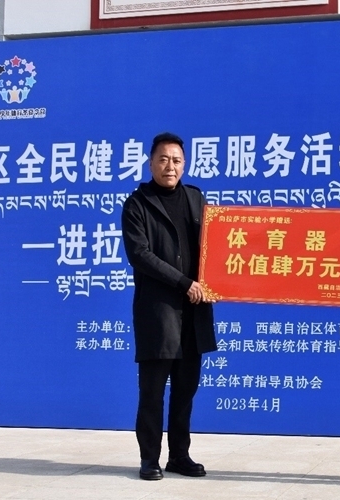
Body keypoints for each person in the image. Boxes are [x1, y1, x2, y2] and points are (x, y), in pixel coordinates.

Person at [121, 132, 217, 481]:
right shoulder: (137, 204)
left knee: (185, 391)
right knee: (152, 393)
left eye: (176, 160)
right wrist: (183, 283)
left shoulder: (196, 199)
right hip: (158, 313)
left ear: (184, 164)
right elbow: (140, 255)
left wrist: (223, 279)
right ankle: (150, 459)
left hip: (194, 313)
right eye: (163, 159)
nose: (170, 166)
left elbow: (216, 246)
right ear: (151, 163)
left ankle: (179, 455)